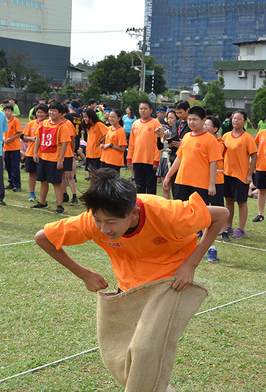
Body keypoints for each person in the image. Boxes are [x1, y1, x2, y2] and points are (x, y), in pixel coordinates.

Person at [33, 168, 229, 391]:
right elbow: (43, 238)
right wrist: (84, 274)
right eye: (98, 220)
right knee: (120, 355)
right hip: (129, 289)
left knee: (145, 349)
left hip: (168, 285)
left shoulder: (167, 213)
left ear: (134, 213)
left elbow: (220, 215)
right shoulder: (93, 221)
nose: (104, 229)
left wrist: (191, 264)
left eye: (112, 222)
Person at [163, 106, 222, 205]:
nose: (191, 122)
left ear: (203, 120)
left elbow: (213, 162)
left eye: (194, 119)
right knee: (181, 212)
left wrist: (212, 184)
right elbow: (179, 158)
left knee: (198, 214)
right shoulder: (186, 136)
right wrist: (168, 176)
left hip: (200, 184)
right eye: (189, 119)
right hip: (181, 181)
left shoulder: (210, 139)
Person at [31, 101, 72, 214]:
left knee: (56, 183)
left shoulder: (63, 126)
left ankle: (60, 205)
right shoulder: (43, 124)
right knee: (43, 181)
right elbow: (38, 139)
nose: (51, 112)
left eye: (55, 110)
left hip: (54, 159)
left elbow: (64, 144)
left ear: (61, 114)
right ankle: (42, 202)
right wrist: (35, 153)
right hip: (43, 157)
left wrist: (60, 160)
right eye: (51, 110)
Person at [222, 110, 258, 239]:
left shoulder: (247, 137)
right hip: (226, 174)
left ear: (244, 121)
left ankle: (241, 229)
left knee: (241, 202)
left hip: (241, 175)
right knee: (228, 201)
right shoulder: (225, 136)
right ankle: (228, 226)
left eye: (238, 118)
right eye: (233, 118)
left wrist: (249, 174)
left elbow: (254, 156)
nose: (235, 120)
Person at [204, 115, 230, 250]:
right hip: (202, 179)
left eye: (208, 125)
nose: (205, 127)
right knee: (203, 205)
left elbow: (211, 156)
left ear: (215, 129)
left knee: (218, 205)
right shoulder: (202, 139)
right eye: (204, 124)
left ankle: (224, 231)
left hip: (217, 179)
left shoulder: (219, 142)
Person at [126, 101, 162, 194]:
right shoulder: (135, 123)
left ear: (150, 110)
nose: (143, 111)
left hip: (150, 161)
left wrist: (156, 160)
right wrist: (129, 158)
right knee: (139, 186)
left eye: (145, 109)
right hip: (137, 159)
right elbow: (132, 143)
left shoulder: (156, 123)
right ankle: (140, 206)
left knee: (151, 186)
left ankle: (150, 206)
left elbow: (159, 143)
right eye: (141, 109)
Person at [23, 103, 47, 202]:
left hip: (44, 154)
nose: (39, 114)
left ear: (46, 113)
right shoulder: (31, 123)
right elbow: (24, 137)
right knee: (32, 174)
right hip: (31, 153)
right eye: (38, 112)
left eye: (41, 112)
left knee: (43, 177)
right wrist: (32, 139)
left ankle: (43, 197)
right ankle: (32, 193)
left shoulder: (48, 124)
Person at [3, 104, 23, 192]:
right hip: (6, 147)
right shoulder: (3, 121)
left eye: (9, 110)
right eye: (5, 110)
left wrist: (11, 138)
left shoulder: (15, 121)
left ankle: (17, 184)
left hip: (14, 147)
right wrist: (4, 138)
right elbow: (2, 132)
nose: (7, 112)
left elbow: (19, 133)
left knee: (15, 166)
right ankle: (11, 182)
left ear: (12, 112)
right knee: (8, 166)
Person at [83, 108, 109, 177]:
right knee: (91, 175)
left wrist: (101, 141)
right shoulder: (89, 126)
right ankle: (93, 188)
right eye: (83, 117)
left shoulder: (99, 124)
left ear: (91, 117)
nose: (84, 119)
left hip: (97, 155)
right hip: (89, 154)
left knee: (96, 176)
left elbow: (109, 133)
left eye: (86, 117)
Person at [100, 109, 127, 173]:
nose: (111, 119)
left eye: (113, 117)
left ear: (119, 119)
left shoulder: (120, 131)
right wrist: (103, 145)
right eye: (110, 116)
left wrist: (110, 145)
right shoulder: (109, 128)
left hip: (114, 161)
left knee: (112, 181)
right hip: (105, 159)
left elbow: (122, 149)